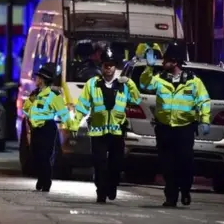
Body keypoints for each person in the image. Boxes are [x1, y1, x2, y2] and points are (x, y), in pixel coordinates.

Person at [141, 43, 210, 207]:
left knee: (185, 162)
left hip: (184, 128)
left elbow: (203, 101)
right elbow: (144, 84)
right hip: (164, 128)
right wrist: (148, 68)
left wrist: (204, 120)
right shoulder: (160, 79)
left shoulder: (193, 82)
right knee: (167, 165)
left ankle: (185, 189)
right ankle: (171, 197)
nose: (162, 62)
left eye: (166, 59)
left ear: (175, 61)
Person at [71, 47, 141, 203]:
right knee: (100, 164)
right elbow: (82, 105)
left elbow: (136, 100)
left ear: (115, 67)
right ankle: (101, 192)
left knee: (116, 165)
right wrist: (75, 124)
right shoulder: (93, 84)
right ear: (101, 66)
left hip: (116, 132)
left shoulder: (123, 84)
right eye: (105, 65)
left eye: (111, 65)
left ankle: (112, 185)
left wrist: (130, 83)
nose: (108, 67)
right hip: (98, 132)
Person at [22, 63, 75, 192]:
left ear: (43, 80)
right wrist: (30, 101)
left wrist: (72, 127)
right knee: (36, 155)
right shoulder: (35, 95)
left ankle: (46, 182)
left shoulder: (53, 96)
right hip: (35, 129)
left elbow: (63, 113)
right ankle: (41, 179)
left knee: (45, 156)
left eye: (38, 78)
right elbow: (26, 110)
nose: (36, 80)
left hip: (47, 128)